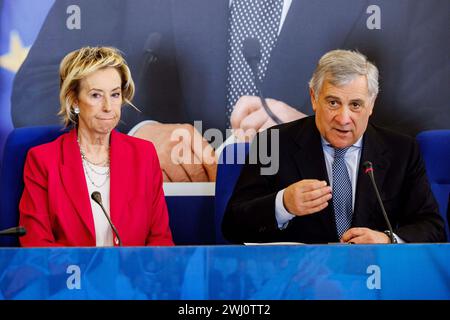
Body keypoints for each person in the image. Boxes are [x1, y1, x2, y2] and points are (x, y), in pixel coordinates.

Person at [11, 0, 450, 182]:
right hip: (155, 260)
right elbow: (37, 90)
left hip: (332, 262)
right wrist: (134, 134)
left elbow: (436, 140)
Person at [222, 49, 446, 244]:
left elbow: (433, 228)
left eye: (356, 105)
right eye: (333, 103)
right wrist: (283, 204)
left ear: (372, 105)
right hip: (300, 280)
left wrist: (387, 238)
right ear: (313, 97)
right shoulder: (273, 143)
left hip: (372, 277)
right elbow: (232, 225)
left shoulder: (401, 150)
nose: (343, 118)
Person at [19, 46, 174, 247]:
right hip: (71, 277)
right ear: (74, 101)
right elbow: (36, 246)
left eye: (115, 94)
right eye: (96, 95)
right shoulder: (43, 161)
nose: (108, 107)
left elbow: (160, 240)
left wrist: (138, 276)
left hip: (132, 276)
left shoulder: (144, 155)